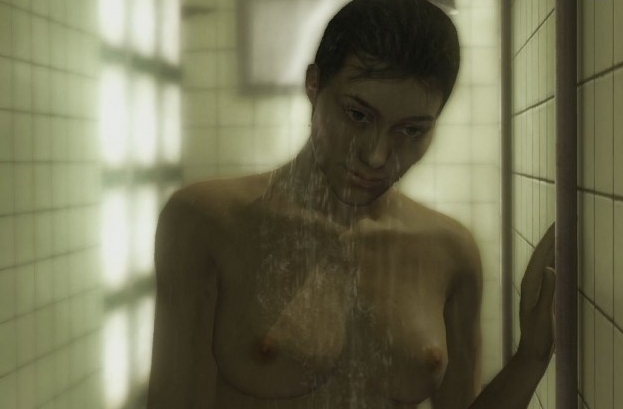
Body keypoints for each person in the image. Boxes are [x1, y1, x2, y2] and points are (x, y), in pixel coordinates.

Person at [146, 0, 556, 407]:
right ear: (314, 85)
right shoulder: (207, 221)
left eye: (411, 131)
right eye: (358, 115)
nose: (377, 156)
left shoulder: (451, 251)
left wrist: (532, 358)